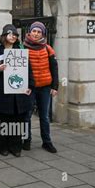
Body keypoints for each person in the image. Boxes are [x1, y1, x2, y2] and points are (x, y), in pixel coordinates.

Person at [0, 24, 34, 157]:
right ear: (4, 36)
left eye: (15, 34)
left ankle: (16, 146)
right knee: (3, 120)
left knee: (18, 120)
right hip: (2, 92)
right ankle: (2, 146)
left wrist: (30, 86)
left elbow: (29, 70)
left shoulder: (21, 49)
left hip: (18, 93)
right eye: (10, 34)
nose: (12, 36)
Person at [23, 22, 59, 153]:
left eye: (39, 32)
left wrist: (55, 86)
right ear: (30, 32)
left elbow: (54, 68)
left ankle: (47, 142)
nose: (36, 34)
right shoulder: (22, 48)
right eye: (34, 31)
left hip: (45, 87)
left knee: (44, 116)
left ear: (42, 33)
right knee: (26, 115)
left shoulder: (48, 48)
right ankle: (26, 140)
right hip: (29, 88)